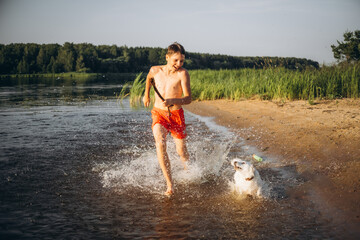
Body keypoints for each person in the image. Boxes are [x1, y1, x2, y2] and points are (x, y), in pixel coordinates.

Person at [143, 42, 192, 196]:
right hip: (159, 113)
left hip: (176, 115)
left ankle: (188, 171)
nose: (179, 64)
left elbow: (188, 98)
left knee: (181, 152)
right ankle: (170, 185)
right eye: (175, 60)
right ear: (167, 57)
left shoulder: (182, 74)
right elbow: (148, 79)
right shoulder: (155, 70)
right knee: (160, 142)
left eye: (182, 61)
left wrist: (173, 101)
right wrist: (146, 94)